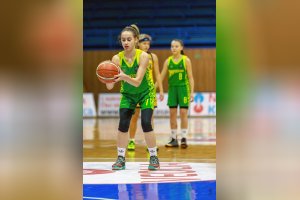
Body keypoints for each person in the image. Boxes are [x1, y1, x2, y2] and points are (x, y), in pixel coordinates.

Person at [105, 25, 160, 170]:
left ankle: (153, 156)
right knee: (123, 124)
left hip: (145, 93)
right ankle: (121, 158)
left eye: (129, 39)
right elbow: (110, 86)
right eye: (123, 40)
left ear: (136, 40)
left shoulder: (143, 56)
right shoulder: (116, 58)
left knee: (146, 123)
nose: (126, 42)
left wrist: (123, 76)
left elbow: (137, 82)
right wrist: (106, 78)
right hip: (128, 95)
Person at [127, 33, 164, 151]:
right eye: (144, 43)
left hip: (149, 91)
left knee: (149, 119)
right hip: (136, 90)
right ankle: (131, 140)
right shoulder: (133, 55)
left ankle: (150, 144)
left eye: (148, 43)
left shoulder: (153, 57)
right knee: (134, 117)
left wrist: (161, 90)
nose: (147, 46)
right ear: (138, 43)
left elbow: (157, 74)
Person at [160, 39, 194, 148]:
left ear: (181, 48)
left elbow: (190, 77)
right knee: (172, 114)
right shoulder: (168, 61)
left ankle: (183, 138)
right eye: (172, 46)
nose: (173, 48)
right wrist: (154, 87)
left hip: (183, 89)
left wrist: (192, 92)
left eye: (176, 46)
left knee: (183, 113)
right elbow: (161, 77)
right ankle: (174, 139)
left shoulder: (186, 60)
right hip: (172, 90)